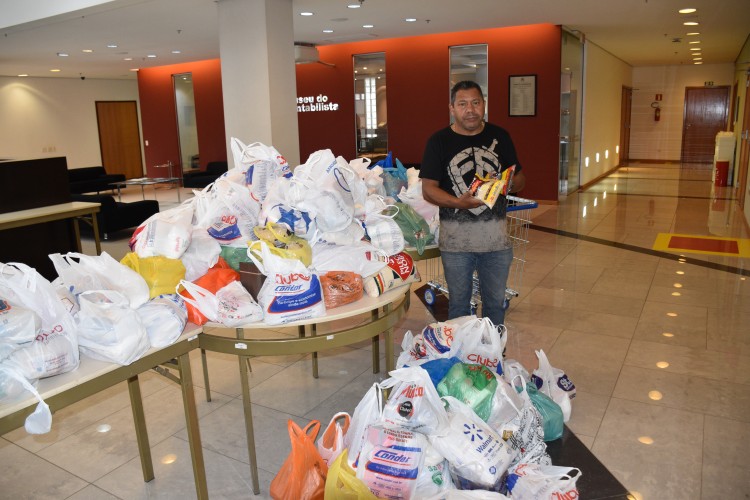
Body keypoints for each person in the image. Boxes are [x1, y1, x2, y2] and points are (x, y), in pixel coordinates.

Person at [419, 80, 526, 326]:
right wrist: (459, 203)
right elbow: (428, 190)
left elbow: (520, 177)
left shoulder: (501, 136)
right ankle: (464, 360)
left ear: (484, 105)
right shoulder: (439, 141)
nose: (470, 109)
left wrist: (510, 183)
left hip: (497, 243)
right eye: (463, 104)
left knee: (495, 308)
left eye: (476, 102)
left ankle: (493, 358)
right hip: (456, 245)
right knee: (458, 307)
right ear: (452, 108)